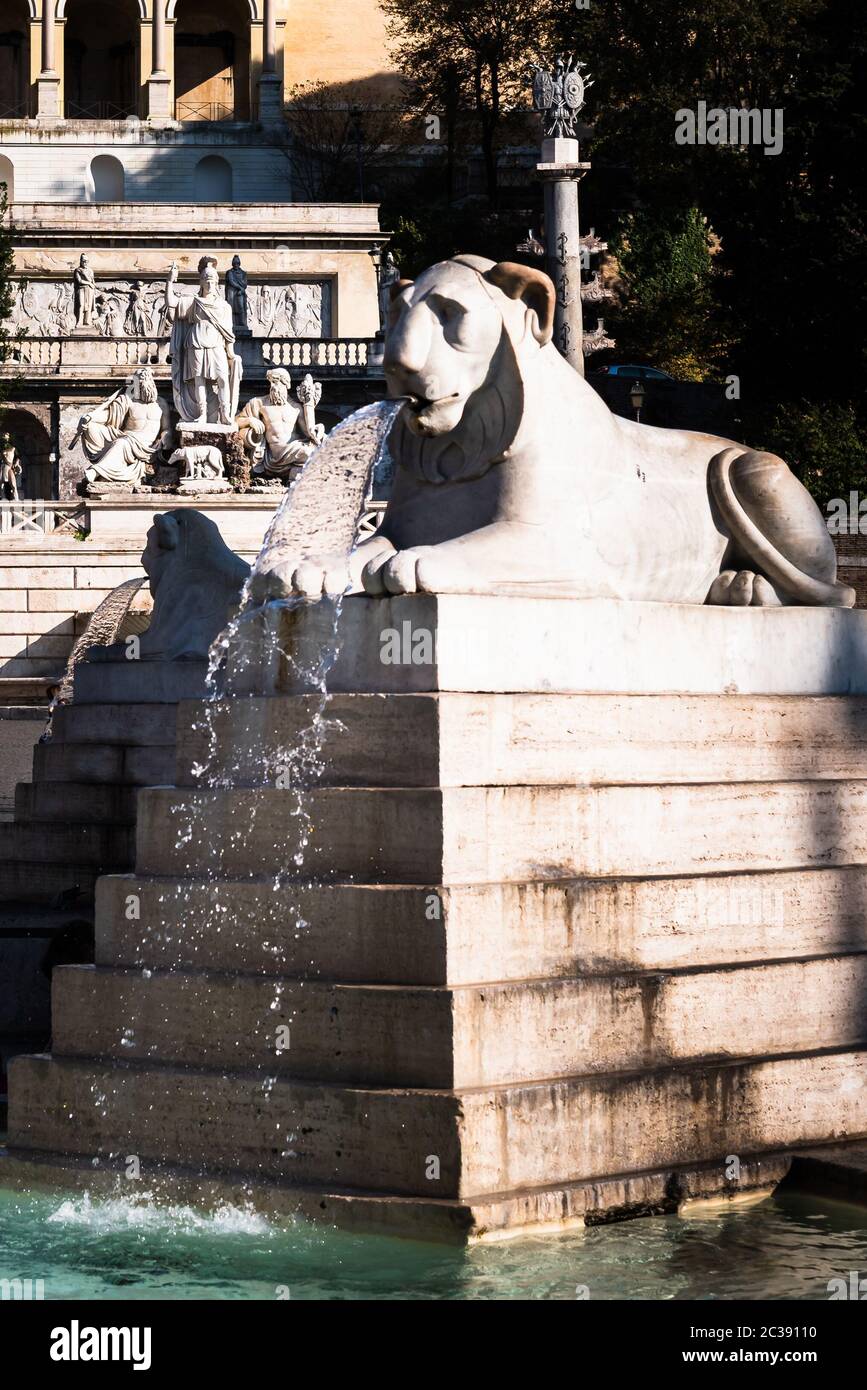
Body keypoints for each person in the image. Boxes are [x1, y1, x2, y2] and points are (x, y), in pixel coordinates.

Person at [166, 257, 241, 425]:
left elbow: (228, 334)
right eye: (206, 280)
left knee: (222, 377)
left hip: (216, 343)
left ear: (217, 283)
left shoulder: (224, 307)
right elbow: (171, 302)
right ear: (201, 282)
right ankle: (202, 414)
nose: (209, 284)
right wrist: (170, 280)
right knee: (198, 378)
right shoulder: (194, 301)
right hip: (196, 341)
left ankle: (225, 413)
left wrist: (231, 353)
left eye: (212, 281)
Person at [79, 367, 172, 487]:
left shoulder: (161, 404)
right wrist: (90, 418)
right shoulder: (127, 401)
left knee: (121, 444)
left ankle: (96, 471)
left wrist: (165, 437)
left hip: (149, 448)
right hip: (127, 439)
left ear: (152, 384)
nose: (141, 387)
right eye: (137, 383)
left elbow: (166, 428)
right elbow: (108, 416)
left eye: (144, 383)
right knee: (96, 429)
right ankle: (98, 471)